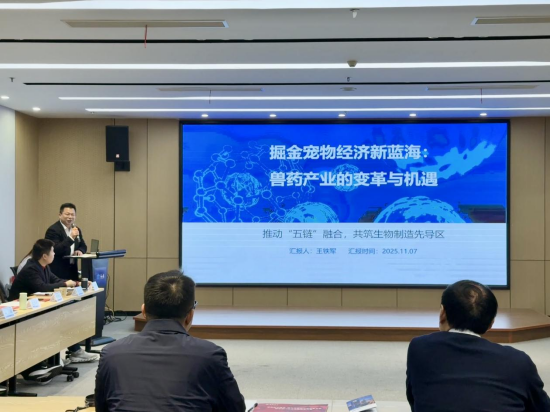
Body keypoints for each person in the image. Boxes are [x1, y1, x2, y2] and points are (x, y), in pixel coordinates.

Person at [95, 271, 246, 413]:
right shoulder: (209, 355)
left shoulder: (111, 354)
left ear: (143, 311)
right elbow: (235, 408)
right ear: (190, 315)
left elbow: (102, 407)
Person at [406, 280, 550, 412]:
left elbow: (416, 401)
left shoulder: (419, 348)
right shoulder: (518, 361)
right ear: (491, 323)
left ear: (442, 313)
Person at [10, 239, 99, 364]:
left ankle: (71, 352)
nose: (54, 254)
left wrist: (76, 283)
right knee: (60, 317)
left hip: (39, 306)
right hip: (22, 311)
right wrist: (65, 284)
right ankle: (57, 356)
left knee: (67, 313)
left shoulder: (44, 267)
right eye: (52, 251)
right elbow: (42, 287)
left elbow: (55, 280)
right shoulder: (31, 268)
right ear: (44, 256)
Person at [45, 203, 87, 281]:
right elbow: (56, 249)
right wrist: (71, 238)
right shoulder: (53, 230)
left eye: (72, 215)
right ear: (60, 215)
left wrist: (80, 250)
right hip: (58, 272)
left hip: (73, 270)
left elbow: (83, 245)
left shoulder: (76, 229)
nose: (70, 217)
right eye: (67, 214)